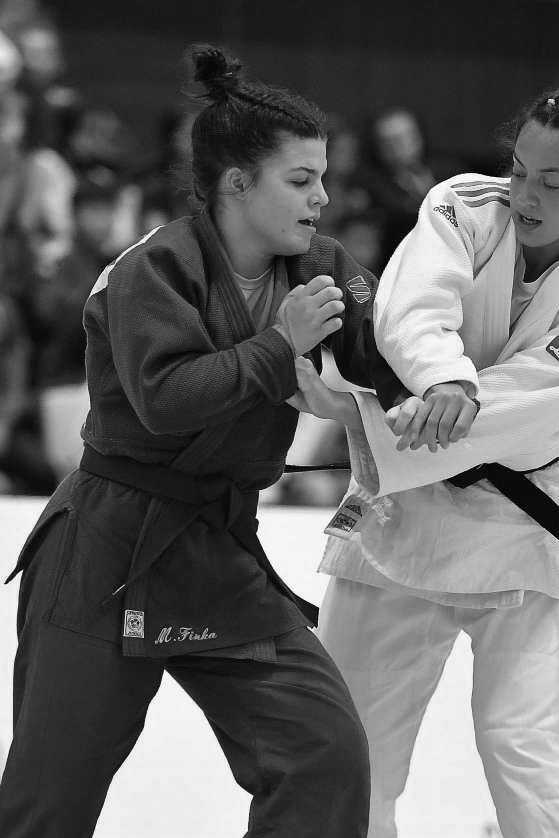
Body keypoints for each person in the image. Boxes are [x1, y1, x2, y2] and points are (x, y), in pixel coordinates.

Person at [0, 43, 434, 838]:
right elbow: (166, 402)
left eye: (324, 177)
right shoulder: (149, 271)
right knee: (46, 802)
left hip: (219, 547)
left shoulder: (324, 264)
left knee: (322, 752)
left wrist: (415, 397)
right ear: (236, 183)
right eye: (300, 181)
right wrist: (280, 343)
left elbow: (385, 359)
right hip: (106, 546)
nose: (323, 198)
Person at [288, 88, 559, 838]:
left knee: (523, 748)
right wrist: (442, 377)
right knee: (351, 750)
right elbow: (410, 309)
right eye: (520, 168)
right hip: (404, 517)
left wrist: (369, 418)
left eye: (553, 181)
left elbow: (542, 399)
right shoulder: (464, 206)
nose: (526, 195)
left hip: (529, 531)